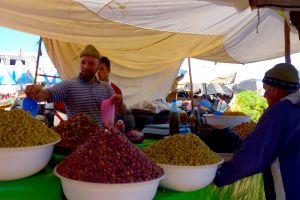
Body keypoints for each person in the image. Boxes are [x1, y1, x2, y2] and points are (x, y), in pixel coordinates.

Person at [213, 63, 300, 200]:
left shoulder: (281, 111)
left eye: (266, 89)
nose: (264, 95)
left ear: (276, 90)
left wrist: (219, 174)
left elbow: (255, 154)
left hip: (288, 190)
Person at [25, 44, 127, 127]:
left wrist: (121, 102)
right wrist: (37, 91)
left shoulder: (107, 88)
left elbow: (121, 112)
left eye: (91, 63)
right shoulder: (69, 86)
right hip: (76, 142)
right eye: (83, 62)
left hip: (99, 142)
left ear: (97, 65)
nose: (86, 66)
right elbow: (48, 94)